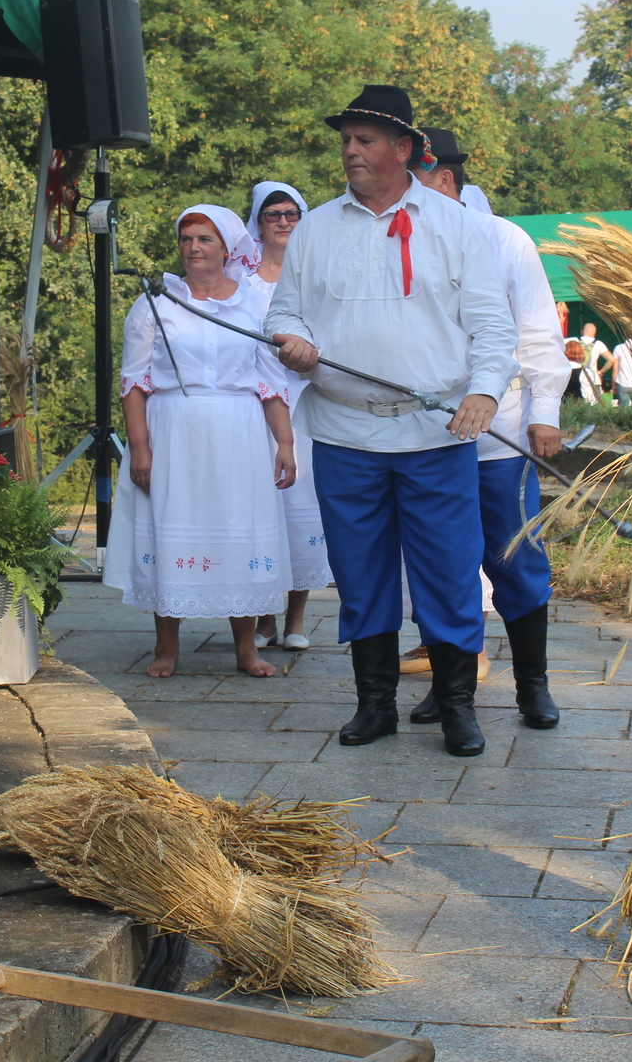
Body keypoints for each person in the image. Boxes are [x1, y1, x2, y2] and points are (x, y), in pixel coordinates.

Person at [265, 85, 516, 757]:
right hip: (345, 432)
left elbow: (493, 326)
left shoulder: (455, 224)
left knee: (450, 570)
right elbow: (283, 311)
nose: (351, 150)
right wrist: (291, 341)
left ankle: (458, 705)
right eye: (346, 139)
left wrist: (486, 394)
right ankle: (373, 703)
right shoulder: (316, 227)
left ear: (404, 149)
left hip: (436, 433)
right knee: (360, 569)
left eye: (365, 139)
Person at [401, 127, 567, 730]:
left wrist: (545, 415)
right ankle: (450, 685)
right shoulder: (403, 239)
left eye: (409, 180)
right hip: (424, 433)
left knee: (514, 557)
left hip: (500, 434)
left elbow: (538, 330)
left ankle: (532, 685)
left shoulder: (505, 240)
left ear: (442, 179)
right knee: (436, 562)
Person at [104, 204, 297, 678]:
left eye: (205, 239)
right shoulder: (156, 302)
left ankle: (247, 649)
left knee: (239, 531)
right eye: (187, 239)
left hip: (238, 432)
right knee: (172, 527)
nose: (193, 248)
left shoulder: (254, 304)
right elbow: (133, 382)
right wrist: (141, 447)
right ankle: (166, 648)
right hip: (174, 430)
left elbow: (271, 384)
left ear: (227, 248)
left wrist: (286, 444)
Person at [241, 180, 330, 652]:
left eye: (291, 214)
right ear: (258, 223)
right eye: (273, 214)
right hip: (254, 410)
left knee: (300, 512)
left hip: (305, 404)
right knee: (261, 510)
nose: (282, 222)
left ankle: (296, 617)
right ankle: (262, 616)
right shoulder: (242, 284)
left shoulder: (316, 277)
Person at [580, 323, 615, 402]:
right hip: (593, 377)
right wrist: (601, 371)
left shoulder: (574, 342)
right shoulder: (598, 344)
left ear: (582, 331)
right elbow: (611, 360)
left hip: (576, 377)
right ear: (594, 332)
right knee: (595, 402)